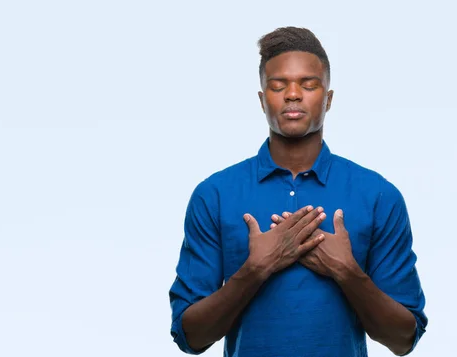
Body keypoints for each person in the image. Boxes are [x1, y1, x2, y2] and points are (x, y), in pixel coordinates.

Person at [168, 26, 428, 357]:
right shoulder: (214, 195)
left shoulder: (378, 196)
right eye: (278, 86)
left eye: (308, 85)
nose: (293, 94)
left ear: (328, 99)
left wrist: (347, 272)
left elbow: (404, 339)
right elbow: (190, 336)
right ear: (263, 100)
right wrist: (256, 269)